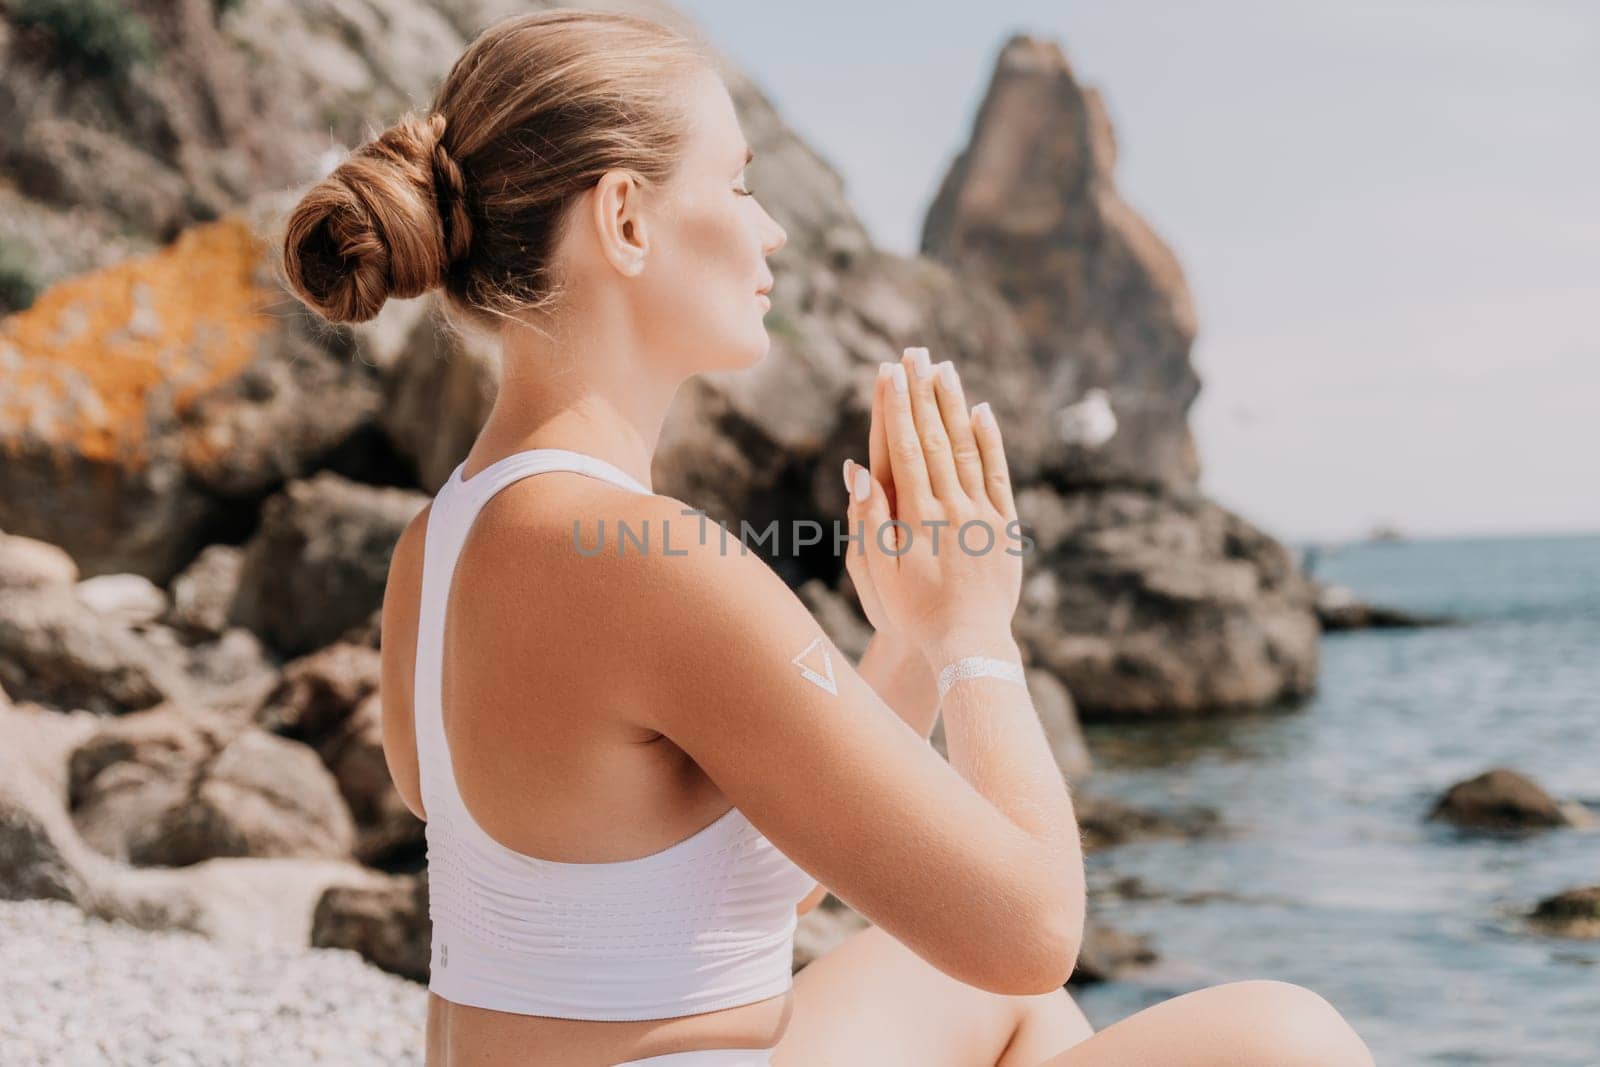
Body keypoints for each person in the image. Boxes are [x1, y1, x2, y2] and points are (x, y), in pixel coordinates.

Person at [279, 10, 1377, 1067]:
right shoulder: (642, 555)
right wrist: (973, 632)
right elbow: (1036, 921)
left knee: (994, 998)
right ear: (624, 219)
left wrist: (898, 643)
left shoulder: (436, 544)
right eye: (740, 182)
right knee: (1292, 1039)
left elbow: (720, 879)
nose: (773, 228)